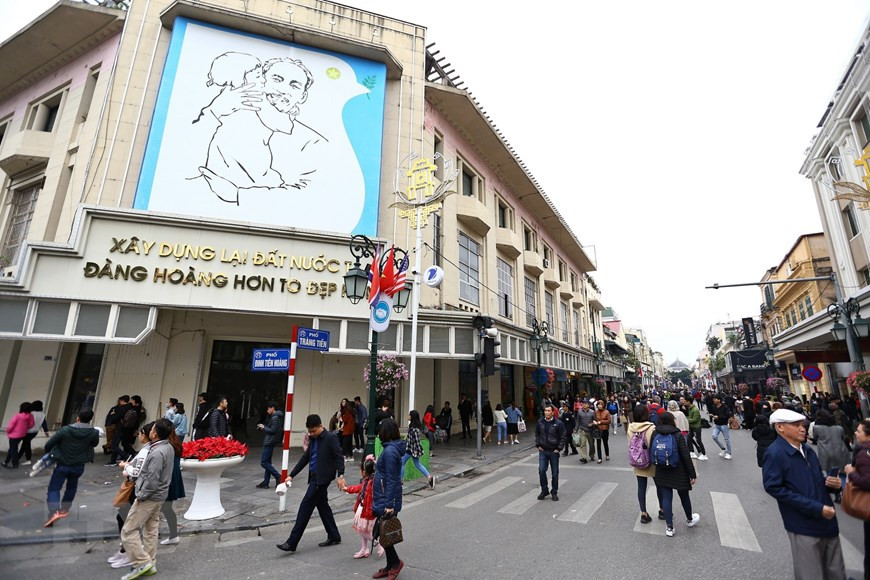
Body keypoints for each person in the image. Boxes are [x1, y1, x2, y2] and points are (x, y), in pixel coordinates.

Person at [763, 408, 845, 580]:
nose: (803, 428)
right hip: (803, 525)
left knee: (836, 572)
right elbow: (774, 488)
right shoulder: (775, 453)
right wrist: (816, 508)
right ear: (780, 427)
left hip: (827, 520)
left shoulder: (807, 450)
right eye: (796, 425)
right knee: (811, 574)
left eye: (803, 425)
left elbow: (814, 481)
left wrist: (832, 485)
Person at [277, 414, 346, 553]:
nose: (312, 434)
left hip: (322, 480)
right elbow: (305, 458)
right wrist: (292, 475)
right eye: (310, 431)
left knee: (305, 507)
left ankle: (292, 542)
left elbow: (339, 457)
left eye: (314, 431)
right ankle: (334, 535)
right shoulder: (313, 439)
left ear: (321, 426)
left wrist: (341, 475)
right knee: (323, 507)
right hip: (314, 477)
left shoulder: (330, 438)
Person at [119, 418, 175, 580]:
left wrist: (141, 495)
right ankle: (150, 562)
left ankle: (141, 563)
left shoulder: (157, 452)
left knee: (128, 531)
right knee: (151, 529)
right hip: (160, 495)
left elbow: (152, 479)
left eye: (152, 429)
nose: (150, 430)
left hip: (149, 496)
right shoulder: (166, 447)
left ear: (155, 433)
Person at [108, 422, 155, 570]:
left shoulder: (147, 450)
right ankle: (125, 551)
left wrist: (125, 466)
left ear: (146, 436)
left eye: (141, 433)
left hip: (138, 489)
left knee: (126, 520)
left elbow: (137, 472)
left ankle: (129, 553)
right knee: (125, 518)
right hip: (140, 489)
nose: (139, 435)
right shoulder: (150, 449)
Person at [42, 409, 99, 527]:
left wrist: (51, 453)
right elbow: (94, 444)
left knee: (54, 488)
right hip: (78, 465)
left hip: (62, 464)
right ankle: (64, 509)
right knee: (72, 487)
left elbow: (49, 445)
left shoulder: (65, 430)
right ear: (90, 420)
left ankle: (53, 512)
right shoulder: (93, 433)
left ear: (77, 417)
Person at [652, 411, 699, 537]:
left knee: (666, 498)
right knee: (684, 496)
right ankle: (689, 519)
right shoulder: (677, 434)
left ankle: (669, 527)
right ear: (672, 420)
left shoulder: (655, 433)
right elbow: (685, 455)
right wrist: (692, 474)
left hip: (662, 470)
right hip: (679, 470)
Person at [371, 418, 405, 578]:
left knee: (384, 532)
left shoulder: (390, 451)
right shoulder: (390, 450)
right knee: (382, 533)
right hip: (383, 497)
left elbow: (391, 478)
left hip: (387, 499)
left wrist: (389, 504)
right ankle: (390, 564)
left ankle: (396, 563)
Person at [844, 419, 870, 580]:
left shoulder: (864, 453)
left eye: (859, 431)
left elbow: (867, 481)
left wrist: (851, 471)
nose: (856, 433)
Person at [628, 405, 662, 524]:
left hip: (638, 460)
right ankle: (662, 509)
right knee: (659, 485)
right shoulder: (652, 428)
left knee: (641, 488)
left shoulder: (630, 428)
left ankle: (643, 513)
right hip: (652, 461)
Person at [812, 409, 851, 502]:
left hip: (826, 453)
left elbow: (814, 438)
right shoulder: (839, 428)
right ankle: (846, 494)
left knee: (832, 475)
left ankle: (838, 495)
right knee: (843, 473)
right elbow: (842, 438)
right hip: (841, 452)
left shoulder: (816, 428)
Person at [343, 455, 378, 559]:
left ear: (364, 472)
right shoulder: (367, 481)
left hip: (366, 510)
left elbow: (359, 489)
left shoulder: (370, 482)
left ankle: (378, 543)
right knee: (364, 530)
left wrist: (348, 489)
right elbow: (358, 488)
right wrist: (347, 489)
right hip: (363, 509)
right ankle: (364, 549)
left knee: (362, 530)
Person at [535, 404, 566, 501]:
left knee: (555, 473)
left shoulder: (558, 423)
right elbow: (537, 434)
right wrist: (538, 445)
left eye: (548, 411)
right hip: (543, 450)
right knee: (541, 470)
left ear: (552, 412)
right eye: (545, 410)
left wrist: (559, 448)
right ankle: (544, 490)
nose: (547, 412)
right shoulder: (540, 422)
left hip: (554, 451)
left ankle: (554, 492)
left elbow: (563, 437)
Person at [159, 429, 185, 546]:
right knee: (167, 509)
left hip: (167, 481)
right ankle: (173, 535)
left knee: (157, 510)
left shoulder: (167, 447)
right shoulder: (175, 444)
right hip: (173, 480)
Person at [399, 411, 435, 489]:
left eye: (409, 415)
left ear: (412, 417)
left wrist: (416, 450)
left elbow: (416, 442)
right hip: (413, 450)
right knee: (417, 465)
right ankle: (429, 477)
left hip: (411, 450)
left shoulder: (414, 429)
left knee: (402, 462)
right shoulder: (414, 428)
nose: (408, 416)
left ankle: (400, 481)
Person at [256, 402, 283, 488]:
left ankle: (278, 476)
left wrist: (263, 427)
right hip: (272, 441)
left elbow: (272, 430)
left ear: (273, 408)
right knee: (268, 462)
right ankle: (266, 482)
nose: (267, 410)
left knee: (264, 463)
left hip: (270, 441)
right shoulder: (276, 417)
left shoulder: (275, 418)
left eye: (268, 408)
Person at [4, 402, 34, 469]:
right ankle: (6, 462)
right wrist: (25, 428)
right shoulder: (30, 416)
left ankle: (15, 464)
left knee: (13, 449)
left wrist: (8, 431)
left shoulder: (17, 416)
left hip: (13, 435)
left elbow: (11, 426)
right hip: (22, 434)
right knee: (12, 448)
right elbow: (32, 424)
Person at [21, 400, 50, 465]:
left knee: (26, 444)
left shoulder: (31, 413)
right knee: (25, 444)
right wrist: (46, 431)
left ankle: (28, 459)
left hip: (28, 431)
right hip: (35, 432)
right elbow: (44, 424)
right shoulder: (42, 414)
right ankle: (18, 457)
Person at [107, 395, 132, 465]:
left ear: (122, 401)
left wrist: (113, 415)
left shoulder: (122, 409)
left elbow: (115, 418)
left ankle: (126, 456)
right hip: (127, 429)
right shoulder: (131, 408)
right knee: (116, 445)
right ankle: (113, 461)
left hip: (119, 428)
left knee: (114, 445)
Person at [681, 396, 708, 460]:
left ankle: (704, 454)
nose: (684, 402)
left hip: (696, 427)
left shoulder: (695, 410)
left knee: (698, 440)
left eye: (685, 401)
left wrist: (685, 419)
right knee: (689, 438)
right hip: (692, 427)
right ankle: (692, 451)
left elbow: (695, 419)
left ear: (689, 402)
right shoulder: (690, 408)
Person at [708, 394, 733, 459]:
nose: (714, 400)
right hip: (716, 425)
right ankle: (723, 448)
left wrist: (718, 417)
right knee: (714, 436)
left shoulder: (725, 407)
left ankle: (729, 453)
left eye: (715, 399)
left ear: (719, 400)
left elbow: (727, 416)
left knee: (726, 439)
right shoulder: (713, 406)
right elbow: (713, 413)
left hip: (724, 424)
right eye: (714, 399)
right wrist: (712, 415)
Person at [575, 400, 595, 464]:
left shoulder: (592, 412)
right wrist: (576, 429)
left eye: (586, 404)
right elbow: (577, 421)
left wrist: (592, 424)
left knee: (591, 444)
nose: (584, 405)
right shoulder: (579, 412)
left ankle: (592, 455)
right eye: (583, 404)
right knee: (582, 444)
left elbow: (595, 421)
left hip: (590, 430)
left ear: (589, 405)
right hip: (582, 430)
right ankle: (584, 457)